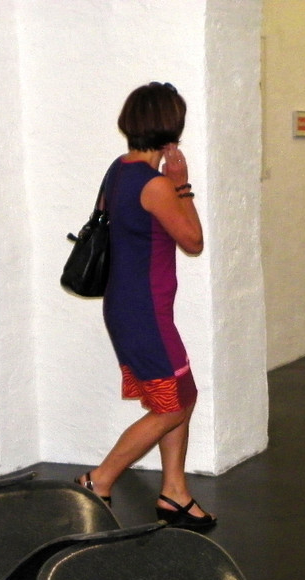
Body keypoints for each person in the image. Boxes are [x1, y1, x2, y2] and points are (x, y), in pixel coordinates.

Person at [75, 82, 216, 531]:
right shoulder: (155, 185)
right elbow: (193, 241)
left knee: (180, 393)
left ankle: (174, 493)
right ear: (171, 126)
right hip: (144, 312)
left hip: (131, 306)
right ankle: (98, 479)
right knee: (173, 404)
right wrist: (182, 184)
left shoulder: (118, 170)